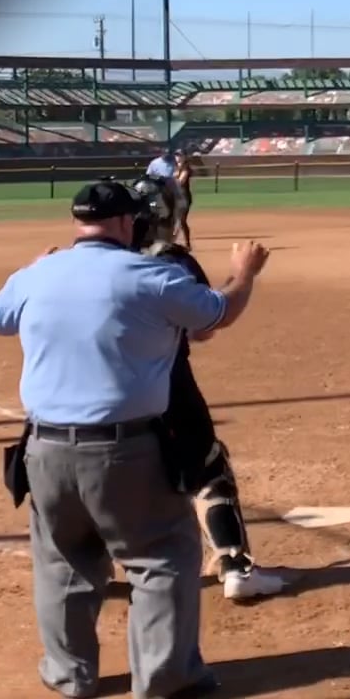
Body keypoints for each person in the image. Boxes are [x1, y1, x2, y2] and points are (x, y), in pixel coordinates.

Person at [0, 180, 269, 699]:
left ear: (78, 223)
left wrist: (31, 269)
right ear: (123, 222)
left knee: (63, 564)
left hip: (42, 449)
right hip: (124, 449)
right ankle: (165, 681)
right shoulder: (149, 275)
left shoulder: (39, 273)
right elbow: (217, 314)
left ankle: (70, 676)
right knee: (161, 556)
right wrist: (245, 273)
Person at [124, 178, 292, 602]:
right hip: (169, 386)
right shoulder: (172, 261)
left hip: (102, 391)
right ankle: (235, 565)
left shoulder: (95, 261)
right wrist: (242, 274)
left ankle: (88, 570)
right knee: (208, 467)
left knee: (106, 471)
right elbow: (204, 329)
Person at [171, 153, 195, 249]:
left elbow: (180, 181)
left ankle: (187, 244)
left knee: (182, 220)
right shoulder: (176, 168)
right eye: (177, 155)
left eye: (180, 156)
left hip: (184, 197)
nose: (178, 157)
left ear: (184, 157)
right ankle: (172, 241)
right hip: (176, 197)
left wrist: (170, 180)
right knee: (173, 219)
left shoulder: (186, 168)